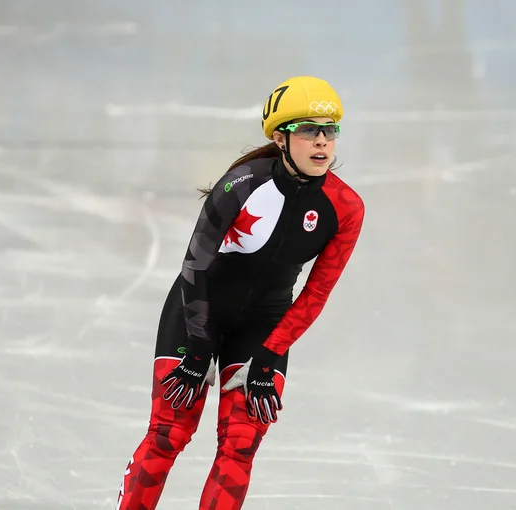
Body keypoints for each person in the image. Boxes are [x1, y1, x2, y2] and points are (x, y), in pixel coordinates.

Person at [116, 76, 365, 510]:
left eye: (330, 131)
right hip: (200, 310)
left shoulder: (346, 207)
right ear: (280, 137)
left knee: (239, 447)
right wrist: (197, 351)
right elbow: (194, 265)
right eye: (309, 130)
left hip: (264, 326)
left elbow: (316, 292)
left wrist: (269, 356)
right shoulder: (242, 184)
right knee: (167, 436)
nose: (322, 141)